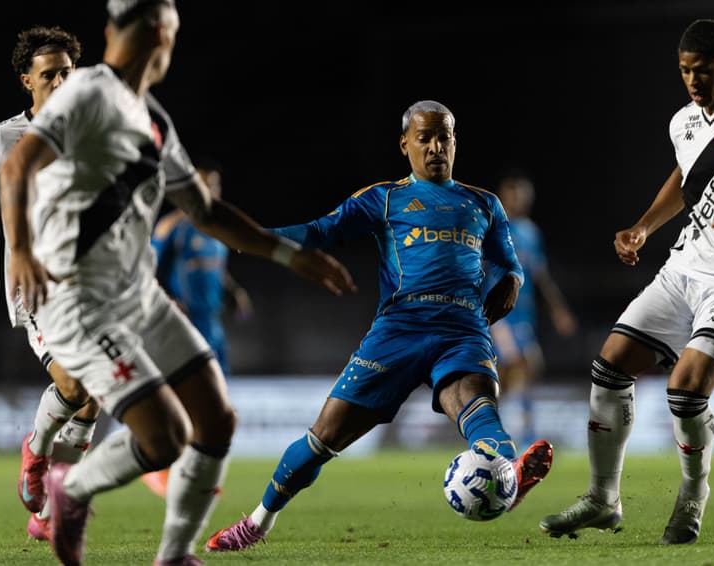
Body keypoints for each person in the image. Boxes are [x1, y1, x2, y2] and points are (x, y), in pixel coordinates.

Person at [0, 2, 356, 565]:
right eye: (156, 30)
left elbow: (205, 209)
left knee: (216, 418)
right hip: (77, 297)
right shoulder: (85, 91)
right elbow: (17, 166)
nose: (160, 42)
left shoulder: (153, 119)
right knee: (160, 433)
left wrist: (288, 255)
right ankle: (69, 490)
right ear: (144, 35)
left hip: (136, 294)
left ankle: (173, 555)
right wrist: (19, 250)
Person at [205, 100, 554, 553]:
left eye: (443, 137)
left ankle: (510, 473)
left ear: (455, 142)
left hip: (462, 329)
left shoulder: (483, 203)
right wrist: (256, 239)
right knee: (323, 437)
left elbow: (511, 265)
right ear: (404, 143)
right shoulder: (384, 198)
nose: (435, 147)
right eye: (424, 138)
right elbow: (319, 231)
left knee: (479, 410)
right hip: (398, 332)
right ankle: (257, 522)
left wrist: (512, 280)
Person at [539, 19, 714, 545]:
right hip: (685, 266)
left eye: (703, 71)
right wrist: (643, 226)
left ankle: (691, 500)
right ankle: (603, 500)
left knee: (685, 390)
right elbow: (687, 181)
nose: (692, 80)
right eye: (685, 71)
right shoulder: (683, 122)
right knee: (609, 366)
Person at [0, 24, 102, 543]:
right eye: (49, 74)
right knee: (74, 385)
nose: (60, 81)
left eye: (67, 72)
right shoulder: (5, 137)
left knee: (97, 394)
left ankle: (55, 506)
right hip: (37, 282)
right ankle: (36, 451)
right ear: (26, 81)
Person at [142, 158, 253, 498]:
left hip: (212, 326)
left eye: (216, 186)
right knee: (183, 401)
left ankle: (196, 472)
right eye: (205, 186)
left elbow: (217, 272)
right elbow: (144, 269)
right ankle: (161, 469)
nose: (212, 193)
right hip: (183, 326)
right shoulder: (171, 227)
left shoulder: (217, 231)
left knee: (216, 404)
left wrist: (234, 293)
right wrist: (166, 300)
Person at [489, 173, 577, 446]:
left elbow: (540, 275)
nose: (519, 200)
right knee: (523, 364)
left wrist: (558, 310)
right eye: (514, 194)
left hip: (525, 315)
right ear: (504, 196)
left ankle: (505, 428)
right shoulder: (495, 230)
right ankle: (492, 426)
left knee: (519, 372)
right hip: (501, 315)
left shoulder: (530, 232)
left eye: (523, 194)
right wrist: (493, 320)